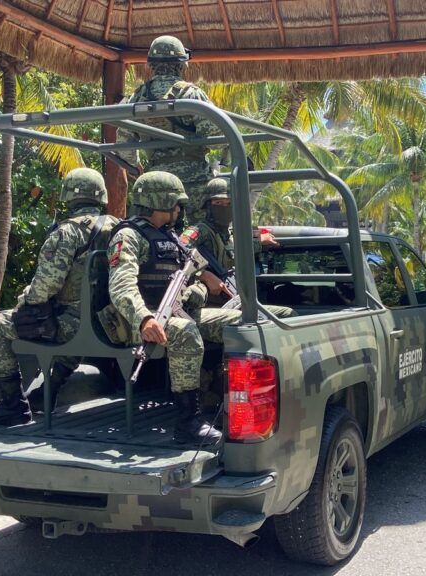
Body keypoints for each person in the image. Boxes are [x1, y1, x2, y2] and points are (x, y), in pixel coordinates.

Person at [0, 168, 118, 427]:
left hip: (74, 327)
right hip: (112, 324)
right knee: (70, 325)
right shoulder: (119, 228)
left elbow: (43, 289)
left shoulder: (67, 232)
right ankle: (45, 394)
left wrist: (23, 299)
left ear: (69, 196)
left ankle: (13, 405)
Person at [104, 171, 236, 443]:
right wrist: (144, 319)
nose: (179, 209)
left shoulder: (169, 236)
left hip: (174, 312)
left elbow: (192, 268)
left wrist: (201, 282)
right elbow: (122, 287)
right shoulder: (129, 236)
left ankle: (226, 398)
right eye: (176, 203)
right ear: (160, 202)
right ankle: (188, 421)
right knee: (186, 332)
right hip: (132, 320)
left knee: (241, 321)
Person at [117, 35, 219, 225]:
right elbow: (217, 136)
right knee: (205, 234)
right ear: (181, 64)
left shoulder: (137, 97)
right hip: (194, 182)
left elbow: (124, 142)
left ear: (151, 64)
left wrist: (135, 164)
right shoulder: (191, 94)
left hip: (156, 184)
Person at [179, 177, 294, 317]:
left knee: (286, 314)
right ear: (207, 205)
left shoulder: (230, 233)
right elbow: (178, 251)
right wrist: (203, 275)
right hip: (209, 304)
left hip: (234, 299)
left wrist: (259, 243)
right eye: (218, 202)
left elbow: (235, 251)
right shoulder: (200, 230)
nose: (224, 207)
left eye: (229, 203)